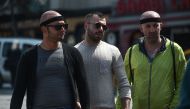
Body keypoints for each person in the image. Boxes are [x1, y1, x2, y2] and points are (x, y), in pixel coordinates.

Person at [10, 10, 89, 109]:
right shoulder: (28, 57)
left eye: (65, 26)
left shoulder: (73, 54)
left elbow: (83, 89)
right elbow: (18, 92)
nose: (63, 29)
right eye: (58, 27)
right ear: (44, 29)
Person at [117, 11, 186, 109]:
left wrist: (173, 107)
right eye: (148, 26)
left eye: (155, 25)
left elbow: (182, 83)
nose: (152, 29)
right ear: (141, 28)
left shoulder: (175, 50)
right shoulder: (132, 52)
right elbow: (124, 84)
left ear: (161, 26)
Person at [75, 12, 131, 109]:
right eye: (97, 25)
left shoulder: (113, 51)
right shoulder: (74, 52)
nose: (101, 29)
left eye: (104, 27)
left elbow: (124, 84)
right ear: (86, 26)